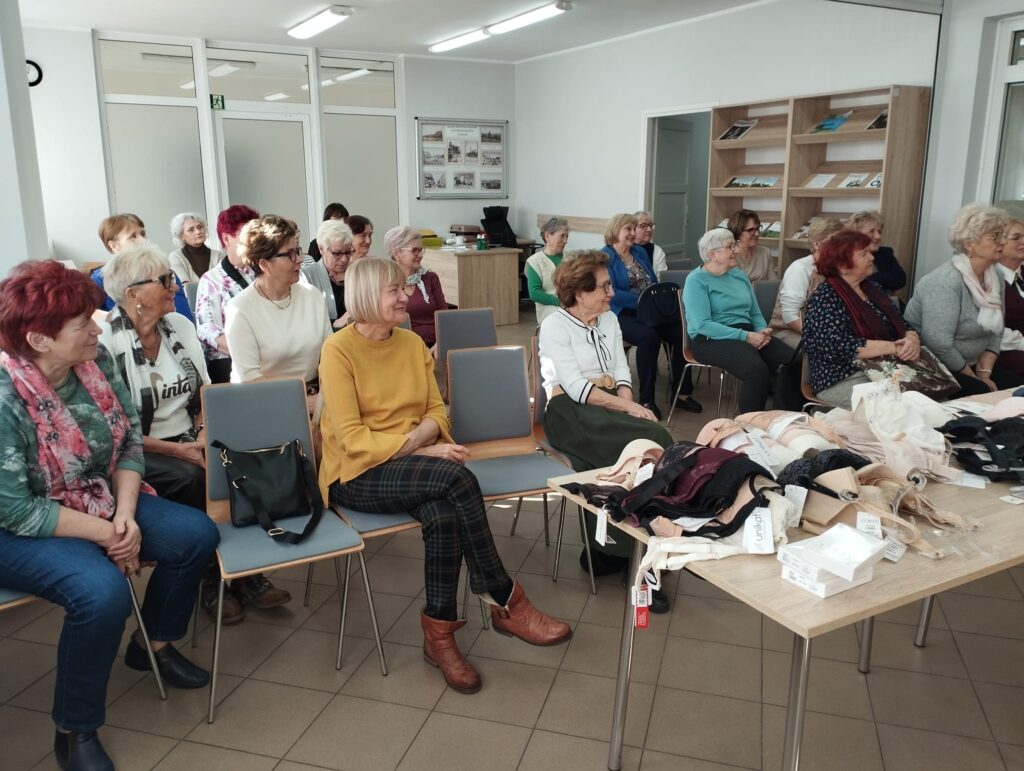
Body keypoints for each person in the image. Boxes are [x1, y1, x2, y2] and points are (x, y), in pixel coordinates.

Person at [0, 261, 219, 771]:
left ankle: (152, 643)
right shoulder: (6, 398)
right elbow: (15, 508)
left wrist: (126, 516)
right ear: (38, 339)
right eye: (83, 324)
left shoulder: (93, 362)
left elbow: (128, 445)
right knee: (102, 594)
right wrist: (111, 533)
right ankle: (74, 728)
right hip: (17, 527)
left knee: (195, 535)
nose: (98, 329)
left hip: (96, 496)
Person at [319, 258, 572, 695]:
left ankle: (439, 637)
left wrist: (421, 438)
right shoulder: (338, 350)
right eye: (395, 290)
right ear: (366, 296)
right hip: (356, 474)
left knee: (444, 514)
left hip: (412, 466)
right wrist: (422, 444)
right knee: (457, 479)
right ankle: (503, 596)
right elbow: (353, 440)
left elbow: (438, 411)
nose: (406, 296)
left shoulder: (412, 344)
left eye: (404, 287)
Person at [97, 244, 255, 624]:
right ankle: (210, 576)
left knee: (243, 456)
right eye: (165, 280)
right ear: (133, 294)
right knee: (193, 476)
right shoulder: (104, 341)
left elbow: (203, 393)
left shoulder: (180, 327)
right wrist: (181, 451)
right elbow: (112, 429)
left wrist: (201, 434)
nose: (175, 286)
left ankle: (246, 568)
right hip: (132, 451)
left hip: (188, 435)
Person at [539, 251, 675, 613]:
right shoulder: (554, 326)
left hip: (608, 404)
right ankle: (635, 558)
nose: (611, 292)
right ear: (579, 293)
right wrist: (629, 410)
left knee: (642, 442)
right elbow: (574, 386)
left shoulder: (609, 319)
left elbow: (620, 370)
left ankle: (626, 550)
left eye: (609, 285)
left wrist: (630, 408)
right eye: (603, 287)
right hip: (569, 410)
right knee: (655, 443)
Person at [802, 230, 923, 407]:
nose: (872, 257)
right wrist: (894, 347)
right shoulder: (825, 298)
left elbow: (903, 324)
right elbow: (840, 346)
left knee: (926, 400)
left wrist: (911, 339)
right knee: (904, 405)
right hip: (843, 377)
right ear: (843, 266)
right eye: (863, 254)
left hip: (886, 368)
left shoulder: (872, 288)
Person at [683, 228, 796, 413]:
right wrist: (746, 336)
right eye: (730, 246)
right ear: (712, 254)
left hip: (747, 333)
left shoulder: (739, 276)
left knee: (794, 361)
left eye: (734, 245)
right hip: (710, 339)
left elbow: (754, 312)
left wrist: (761, 329)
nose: (736, 250)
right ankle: (747, 425)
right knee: (756, 370)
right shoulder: (696, 280)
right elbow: (702, 325)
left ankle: (787, 418)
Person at [601, 213, 700, 419]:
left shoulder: (639, 252)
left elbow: (652, 281)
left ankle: (681, 393)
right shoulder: (605, 257)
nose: (632, 233)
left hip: (648, 310)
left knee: (681, 331)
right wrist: (641, 300)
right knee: (649, 337)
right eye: (628, 229)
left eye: (633, 228)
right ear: (615, 231)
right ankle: (647, 399)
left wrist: (651, 301)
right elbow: (611, 292)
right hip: (621, 313)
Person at [905, 203, 1009, 395]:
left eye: (1003, 235)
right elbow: (938, 344)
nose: (1003, 241)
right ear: (969, 245)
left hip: (976, 364)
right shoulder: (946, 281)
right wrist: (974, 378)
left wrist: (984, 373)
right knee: (982, 392)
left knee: (1014, 388)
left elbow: (997, 330)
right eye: (995, 236)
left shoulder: (997, 276)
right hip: (935, 365)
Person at [225, 215, 332, 389]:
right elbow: (250, 381)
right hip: (265, 398)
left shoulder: (313, 296)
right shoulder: (240, 310)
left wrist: (324, 397)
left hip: (318, 393)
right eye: (290, 254)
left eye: (297, 251)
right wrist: (302, 399)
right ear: (264, 264)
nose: (300, 259)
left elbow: (331, 357)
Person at [194, 204, 259, 383]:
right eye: (245, 236)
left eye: (255, 235)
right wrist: (251, 351)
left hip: (266, 355)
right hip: (230, 361)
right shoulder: (211, 280)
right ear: (226, 239)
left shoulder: (263, 269)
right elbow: (207, 329)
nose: (253, 241)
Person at [92, 213, 194, 321]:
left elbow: (185, 319)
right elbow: (91, 320)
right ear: (114, 246)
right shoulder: (100, 280)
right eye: (133, 237)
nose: (143, 241)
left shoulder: (167, 274)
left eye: (143, 234)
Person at [768, 217, 843, 347]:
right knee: (830, 351)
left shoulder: (839, 270)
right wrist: (822, 339)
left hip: (823, 332)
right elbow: (790, 317)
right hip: (787, 331)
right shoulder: (800, 268)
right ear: (817, 244)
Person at [385, 225, 447, 353]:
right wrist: (418, 348)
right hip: (404, 348)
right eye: (414, 250)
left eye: (421, 249)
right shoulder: (386, 281)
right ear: (397, 253)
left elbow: (445, 316)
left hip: (437, 347)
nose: (420, 255)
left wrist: (440, 343)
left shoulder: (430, 277)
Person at [302, 218, 356, 329]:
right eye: (337, 253)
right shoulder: (306, 276)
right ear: (321, 249)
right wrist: (337, 323)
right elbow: (305, 320)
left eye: (348, 252)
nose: (344, 259)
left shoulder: (357, 273)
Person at [994, 217, 1024, 388]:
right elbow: (990, 330)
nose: (1023, 242)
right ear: (999, 243)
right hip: (1003, 350)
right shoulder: (989, 278)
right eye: (1016, 238)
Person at [845, 210, 907, 293]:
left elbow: (900, 280)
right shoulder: (845, 256)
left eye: (879, 232)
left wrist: (867, 277)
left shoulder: (885, 253)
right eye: (871, 231)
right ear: (856, 234)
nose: (878, 236)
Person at [525, 216, 568, 324]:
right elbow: (534, 293)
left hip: (571, 306)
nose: (565, 241)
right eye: (562, 236)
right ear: (547, 236)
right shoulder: (535, 261)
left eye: (567, 236)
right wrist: (560, 302)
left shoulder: (570, 259)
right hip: (549, 310)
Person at [167, 212, 224, 284]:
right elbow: (186, 287)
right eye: (191, 229)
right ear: (181, 236)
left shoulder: (218, 255)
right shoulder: (176, 257)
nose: (198, 232)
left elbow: (224, 284)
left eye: (199, 227)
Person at [727, 208, 777, 282]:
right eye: (751, 230)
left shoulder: (765, 253)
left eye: (757, 228)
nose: (757, 234)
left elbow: (773, 283)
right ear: (738, 232)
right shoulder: (729, 254)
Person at [633, 211, 667, 278]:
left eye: (651, 226)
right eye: (643, 226)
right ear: (633, 229)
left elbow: (661, 278)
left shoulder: (657, 251)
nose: (649, 229)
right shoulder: (625, 249)